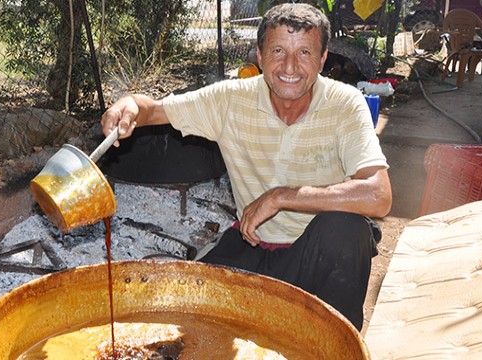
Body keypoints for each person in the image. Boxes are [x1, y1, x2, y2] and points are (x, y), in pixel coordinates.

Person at [100, 3, 392, 331]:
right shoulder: (231, 98)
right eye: (278, 50)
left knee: (346, 229)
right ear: (259, 55)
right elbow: (152, 111)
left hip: (317, 257)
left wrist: (282, 196)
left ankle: (338, 343)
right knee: (189, 315)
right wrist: (129, 104)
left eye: (305, 52)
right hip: (252, 247)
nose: (290, 66)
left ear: (323, 59)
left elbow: (378, 194)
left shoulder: (345, 103)